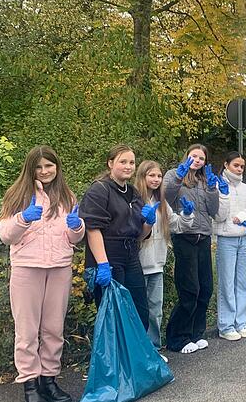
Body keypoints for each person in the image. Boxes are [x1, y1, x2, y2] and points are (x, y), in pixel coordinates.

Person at [0, 146, 84, 402]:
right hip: (27, 268)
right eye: (39, 167)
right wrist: (23, 218)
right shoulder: (18, 194)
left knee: (53, 328)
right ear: (30, 168)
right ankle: (30, 384)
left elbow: (75, 238)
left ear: (57, 167)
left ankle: (49, 379)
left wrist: (76, 226)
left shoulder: (66, 195)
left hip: (59, 267)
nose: (45, 171)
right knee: (27, 330)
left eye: (50, 166)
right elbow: (5, 235)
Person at [81, 145, 157, 326]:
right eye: (123, 162)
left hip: (131, 253)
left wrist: (149, 222)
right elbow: (92, 229)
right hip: (108, 253)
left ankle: (137, 353)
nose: (128, 166)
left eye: (131, 162)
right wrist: (103, 264)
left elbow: (140, 235)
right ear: (110, 163)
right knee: (113, 314)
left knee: (140, 310)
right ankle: (116, 354)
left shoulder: (133, 192)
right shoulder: (99, 190)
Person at [163, 144, 224, 354]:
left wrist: (212, 190)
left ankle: (196, 333)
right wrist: (178, 179)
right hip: (184, 236)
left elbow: (213, 211)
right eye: (194, 156)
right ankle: (177, 337)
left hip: (204, 236)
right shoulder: (174, 174)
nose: (197, 160)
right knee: (189, 289)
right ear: (187, 156)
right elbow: (165, 199)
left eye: (201, 158)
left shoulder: (204, 179)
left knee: (205, 288)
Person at [135, 160, 195, 352]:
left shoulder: (162, 203)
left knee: (155, 310)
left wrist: (186, 214)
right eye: (151, 175)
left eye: (159, 176)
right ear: (142, 176)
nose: (156, 179)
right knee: (139, 311)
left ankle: (153, 349)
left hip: (157, 264)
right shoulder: (135, 200)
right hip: (137, 265)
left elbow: (176, 225)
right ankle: (139, 351)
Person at [214, 152, 246, 341]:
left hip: (245, 239)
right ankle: (226, 325)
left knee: (244, 282)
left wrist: (244, 215)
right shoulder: (217, 186)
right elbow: (217, 215)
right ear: (226, 165)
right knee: (227, 282)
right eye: (236, 165)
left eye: (242, 166)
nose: (239, 169)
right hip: (227, 238)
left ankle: (240, 322)